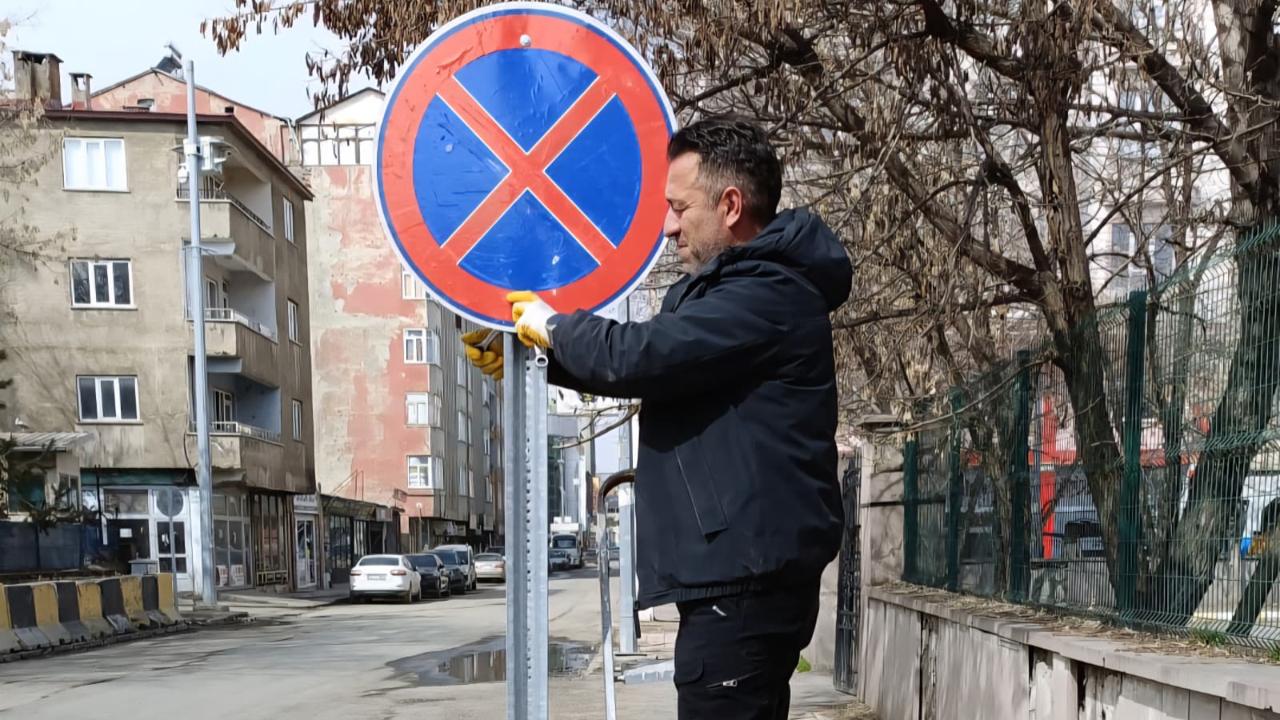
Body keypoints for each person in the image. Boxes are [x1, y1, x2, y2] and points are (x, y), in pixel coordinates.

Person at [462, 117, 852, 719]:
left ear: (729, 205)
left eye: (678, 207)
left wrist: (556, 328)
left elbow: (645, 353)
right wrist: (545, 356)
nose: (668, 227)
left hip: (743, 581)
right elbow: (663, 366)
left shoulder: (767, 294)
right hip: (742, 578)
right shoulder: (749, 292)